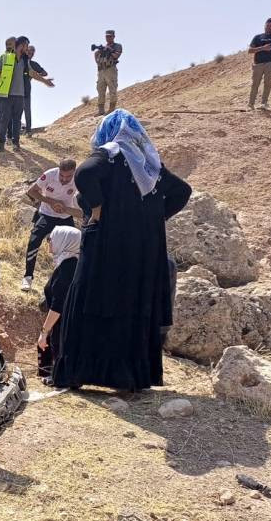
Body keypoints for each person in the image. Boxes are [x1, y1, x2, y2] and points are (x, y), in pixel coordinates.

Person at [52, 110, 192, 392]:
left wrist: (97, 208)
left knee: (90, 300)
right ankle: (129, 378)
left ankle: (77, 372)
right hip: (142, 253)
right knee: (132, 305)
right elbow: (182, 192)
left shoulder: (111, 153)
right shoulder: (150, 165)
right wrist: (152, 220)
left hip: (105, 246)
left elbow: (84, 173)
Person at [21, 159, 82, 291]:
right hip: (46, 214)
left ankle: (68, 281)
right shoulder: (49, 174)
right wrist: (51, 202)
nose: (64, 179)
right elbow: (31, 191)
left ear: (74, 172)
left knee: (74, 247)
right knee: (33, 241)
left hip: (65, 216)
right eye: (62, 175)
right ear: (58, 170)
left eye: (68, 176)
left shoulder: (79, 178)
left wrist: (65, 208)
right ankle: (28, 277)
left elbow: (83, 211)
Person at [0, 36, 53, 152]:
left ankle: (16, 143)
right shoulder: (5, 57)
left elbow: (32, 73)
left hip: (20, 95)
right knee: (5, 119)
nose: (27, 48)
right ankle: (1, 142)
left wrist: (45, 81)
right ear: (22, 45)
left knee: (17, 120)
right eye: (26, 46)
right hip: (6, 95)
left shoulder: (25, 60)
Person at [36, 226, 81, 382]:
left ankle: (59, 377)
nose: (48, 242)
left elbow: (58, 305)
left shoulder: (68, 268)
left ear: (64, 240)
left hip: (64, 326)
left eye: (51, 239)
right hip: (64, 324)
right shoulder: (70, 263)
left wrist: (44, 332)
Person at [248, 17, 271, 110]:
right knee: (255, 84)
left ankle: (264, 103)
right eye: (268, 25)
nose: (269, 27)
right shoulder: (257, 37)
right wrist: (262, 48)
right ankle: (251, 104)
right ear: (265, 25)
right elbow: (250, 50)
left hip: (270, 63)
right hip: (258, 63)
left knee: (268, 83)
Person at [94, 30, 122, 116]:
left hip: (110, 70)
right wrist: (98, 56)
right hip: (101, 70)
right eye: (107, 36)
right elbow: (96, 55)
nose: (108, 38)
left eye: (110, 36)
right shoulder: (103, 48)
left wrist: (109, 50)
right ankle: (101, 110)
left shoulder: (117, 46)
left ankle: (111, 109)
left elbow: (116, 56)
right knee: (100, 89)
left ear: (113, 36)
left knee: (112, 89)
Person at [22, 45, 47, 135]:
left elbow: (45, 73)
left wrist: (35, 74)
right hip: (15, 88)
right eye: (29, 51)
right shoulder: (19, 60)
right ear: (25, 51)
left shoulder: (33, 64)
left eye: (33, 52)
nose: (31, 53)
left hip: (26, 88)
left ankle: (28, 131)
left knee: (27, 110)